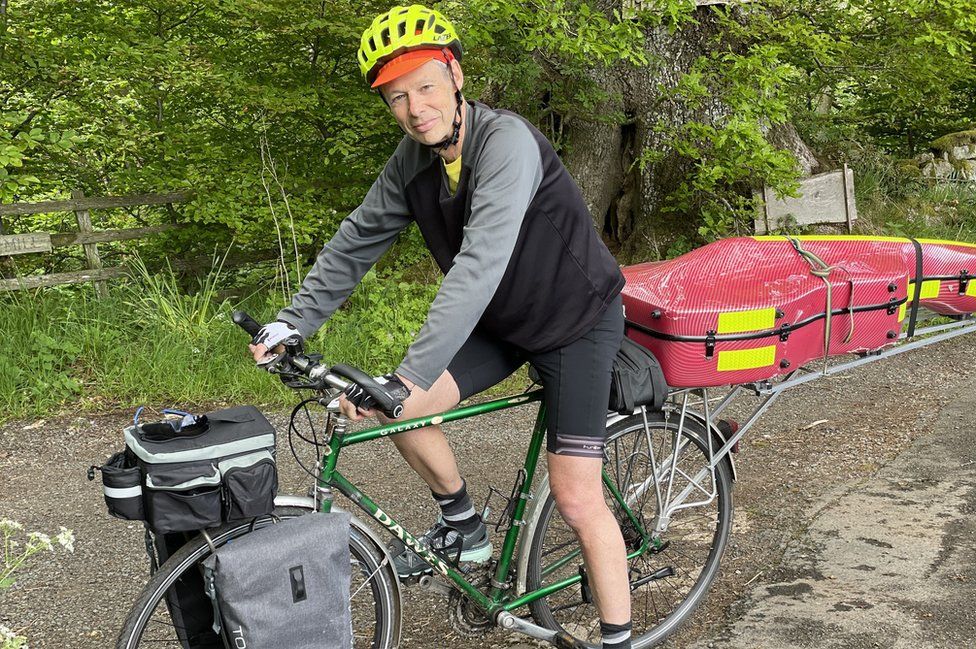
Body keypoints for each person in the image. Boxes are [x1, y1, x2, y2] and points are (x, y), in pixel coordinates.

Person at [249, 5, 632, 648]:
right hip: (503, 322)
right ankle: (466, 525)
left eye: (425, 86)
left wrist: (412, 374)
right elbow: (355, 242)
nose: (414, 108)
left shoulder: (505, 143)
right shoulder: (413, 161)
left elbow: (479, 265)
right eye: (396, 97)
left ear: (454, 75)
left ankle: (618, 637)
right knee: (387, 405)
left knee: (574, 496)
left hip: (575, 323)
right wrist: (292, 322)